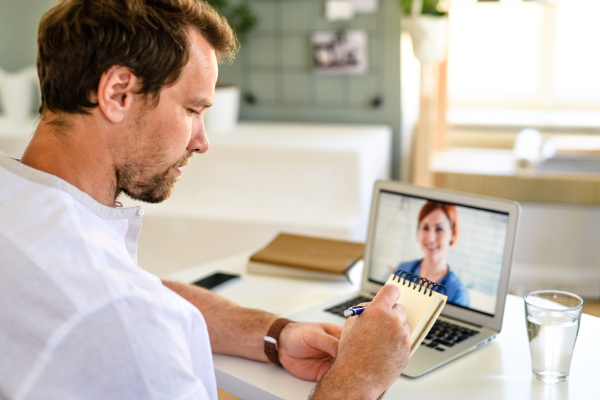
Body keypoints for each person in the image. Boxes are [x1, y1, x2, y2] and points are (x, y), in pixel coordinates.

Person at [0, 1, 412, 399]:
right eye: (193, 110)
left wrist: (276, 335)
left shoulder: (20, 205)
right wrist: (359, 378)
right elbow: (125, 308)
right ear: (118, 92)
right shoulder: (118, 320)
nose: (202, 141)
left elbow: (146, 293)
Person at [393, 201, 469, 307]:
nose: (431, 238)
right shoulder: (402, 270)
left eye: (439, 229)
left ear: (453, 233)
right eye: (425, 228)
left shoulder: (458, 293)